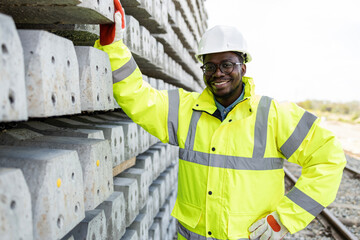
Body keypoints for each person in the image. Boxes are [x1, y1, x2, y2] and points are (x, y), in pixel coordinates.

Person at [95, 1, 346, 239]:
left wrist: (286, 217)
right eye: (210, 66)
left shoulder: (274, 115)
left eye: (227, 64)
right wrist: (113, 47)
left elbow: (329, 157)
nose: (218, 73)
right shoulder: (185, 111)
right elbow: (138, 97)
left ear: (243, 67)